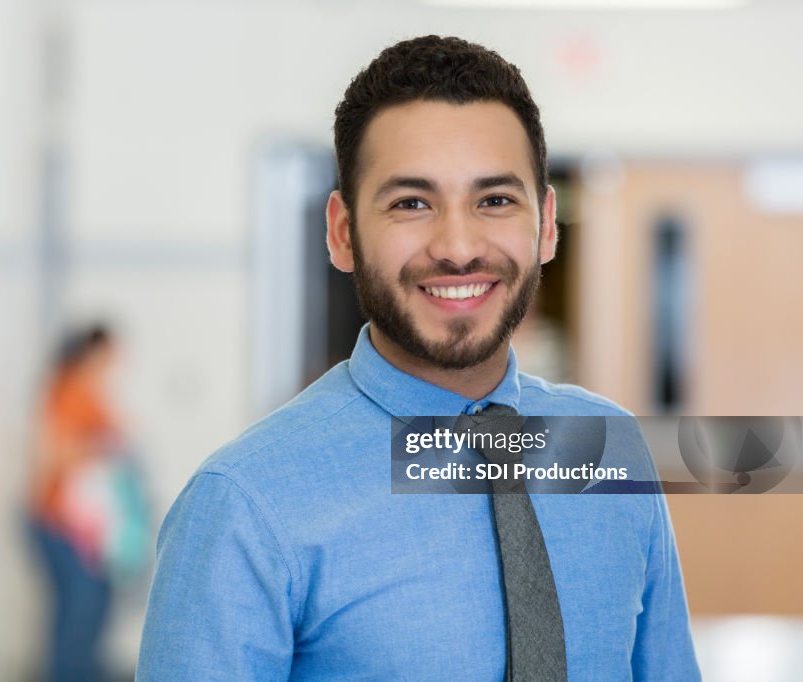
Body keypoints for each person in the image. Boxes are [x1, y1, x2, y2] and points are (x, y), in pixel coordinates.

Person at [137, 36, 700, 680]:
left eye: (494, 200)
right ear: (343, 233)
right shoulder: (244, 506)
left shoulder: (609, 451)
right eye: (411, 203)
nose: (458, 247)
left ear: (546, 224)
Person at [28, 324, 126, 681]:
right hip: (61, 522)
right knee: (79, 613)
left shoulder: (87, 391)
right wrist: (106, 446)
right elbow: (58, 454)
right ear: (95, 350)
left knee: (87, 611)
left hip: (81, 524)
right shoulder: (69, 390)